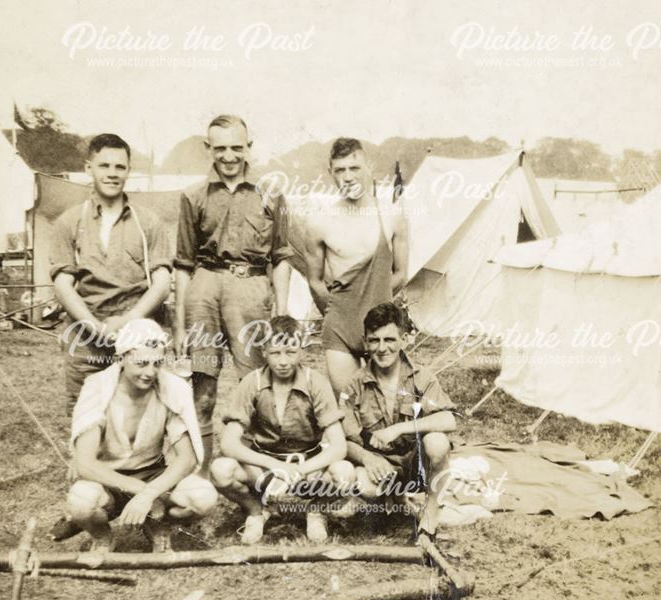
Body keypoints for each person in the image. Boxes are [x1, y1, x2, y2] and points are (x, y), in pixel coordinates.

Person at [173, 115, 293, 461]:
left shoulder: (271, 195)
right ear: (207, 148)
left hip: (251, 289)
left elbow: (282, 256)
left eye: (237, 148)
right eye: (220, 148)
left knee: (257, 383)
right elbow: (183, 263)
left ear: (249, 148)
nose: (229, 156)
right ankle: (200, 471)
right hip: (204, 291)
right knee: (203, 388)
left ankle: (259, 468)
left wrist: (281, 313)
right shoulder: (192, 196)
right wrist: (180, 324)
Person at [65, 319, 218, 552]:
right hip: (107, 480)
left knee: (202, 496)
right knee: (81, 501)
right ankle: (103, 537)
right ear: (121, 358)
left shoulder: (170, 388)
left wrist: (151, 491)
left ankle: (159, 527)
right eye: (141, 363)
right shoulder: (98, 387)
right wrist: (140, 491)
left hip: (151, 473)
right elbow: (85, 464)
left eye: (157, 364)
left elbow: (187, 458)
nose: (150, 372)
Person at [48, 134, 172, 414]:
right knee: (86, 421)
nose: (112, 174)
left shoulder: (148, 222)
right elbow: (63, 284)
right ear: (88, 168)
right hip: (86, 339)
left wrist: (127, 322)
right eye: (104, 166)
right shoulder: (69, 221)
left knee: (139, 420)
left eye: (120, 167)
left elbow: (162, 284)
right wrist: (93, 326)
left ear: (129, 171)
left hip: (137, 336)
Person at [209, 316, 352, 544]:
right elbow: (229, 443)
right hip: (265, 464)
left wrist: (300, 470)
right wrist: (274, 466)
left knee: (344, 473)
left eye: (290, 352)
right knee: (220, 470)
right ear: (264, 351)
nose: (283, 361)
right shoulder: (251, 382)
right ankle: (256, 510)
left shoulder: (316, 382)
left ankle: (316, 511)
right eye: (276, 353)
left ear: (301, 351)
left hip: (307, 464)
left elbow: (338, 447)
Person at [302, 138, 408, 395]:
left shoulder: (392, 215)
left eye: (354, 168)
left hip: (381, 328)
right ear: (331, 173)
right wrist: (338, 311)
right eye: (340, 170)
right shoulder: (320, 222)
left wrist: (377, 300)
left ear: (368, 166)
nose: (347, 177)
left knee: (384, 404)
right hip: (340, 328)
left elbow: (401, 274)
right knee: (348, 404)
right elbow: (314, 280)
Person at [340, 303, 456, 538]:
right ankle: (393, 500)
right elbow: (343, 437)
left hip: (417, 463)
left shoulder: (420, 376)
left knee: (437, 443)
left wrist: (399, 428)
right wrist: (367, 458)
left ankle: (431, 507)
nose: (382, 348)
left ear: (402, 339)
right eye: (374, 340)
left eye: (389, 340)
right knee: (364, 485)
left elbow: (449, 419)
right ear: (365, 342)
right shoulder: (354, 385)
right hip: (383, 467)